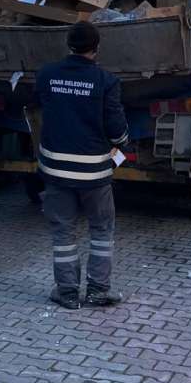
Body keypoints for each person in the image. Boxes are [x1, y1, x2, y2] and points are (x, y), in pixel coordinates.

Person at [35, 21, 129, 309]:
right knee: (101, 231)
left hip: (55, 171)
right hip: (95, 174)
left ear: (69, 44)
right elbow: (116, 130)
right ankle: (98, 291)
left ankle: (67, 293)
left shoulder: (47, 75)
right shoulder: (106, 80)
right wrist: (124, 142)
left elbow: (42, 109)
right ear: (96, 48)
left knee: (63, 232)